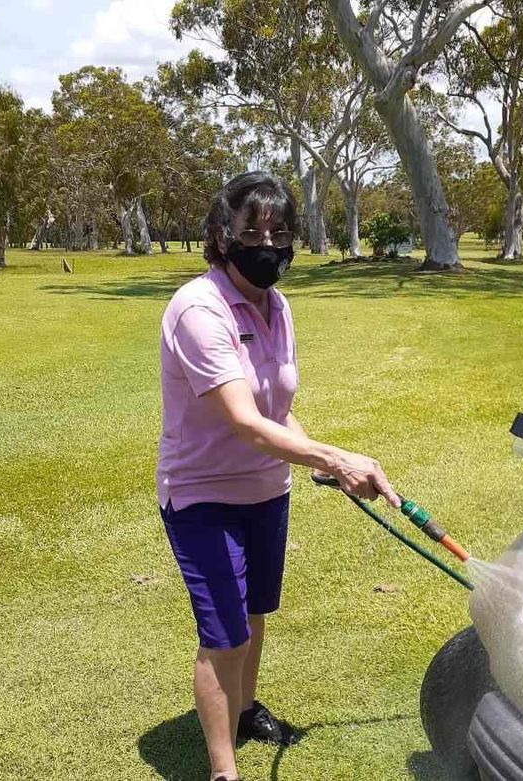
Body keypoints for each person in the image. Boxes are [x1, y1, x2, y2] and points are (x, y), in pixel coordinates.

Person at [156, 171, 399, 781]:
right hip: (203, 497)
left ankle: (243, 708)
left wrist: (317, 457)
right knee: (224, 634)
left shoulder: (277, 304)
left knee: (256, 613)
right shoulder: (198, 309)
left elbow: (276, 409)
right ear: (223, 235)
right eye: (252, 230)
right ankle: (223, 770)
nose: (267, 243)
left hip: (267, 491)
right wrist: (338, 458)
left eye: (279, 231)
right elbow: (243, 420)